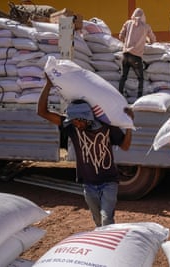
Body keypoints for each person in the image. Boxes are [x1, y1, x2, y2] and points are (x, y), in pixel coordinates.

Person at [38, 74, 134, 227]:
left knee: (107, 219)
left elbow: (125, 146)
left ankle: (108, 248)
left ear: (86, 117)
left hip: (109, 182)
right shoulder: (71, 128)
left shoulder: (106, 126)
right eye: (73, 120)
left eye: (77, 120)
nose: (75, 123)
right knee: (98, 222)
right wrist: (48, 85)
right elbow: (42, 112)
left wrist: (129, 127)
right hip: (88, 184)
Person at [118, 8, 156, 98]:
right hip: (135, 57)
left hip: (125, 55)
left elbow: (120, 36)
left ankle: (119, 95)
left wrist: (127, 42)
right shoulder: (146, 27)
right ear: (143, 16)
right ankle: (139, 97)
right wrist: (146, 41)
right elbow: (153, 40)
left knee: (123, 76)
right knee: (140, 78)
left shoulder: (128, 23)